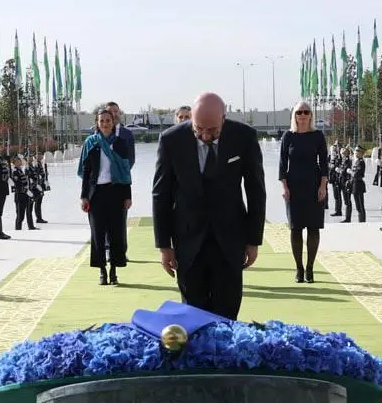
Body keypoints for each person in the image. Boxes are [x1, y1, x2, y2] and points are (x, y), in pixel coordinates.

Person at [153, 92, 266, 319]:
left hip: (230, 241)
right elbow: (161, 194)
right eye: (198, 129)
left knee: (227, 314)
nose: (205, 136)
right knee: (193, 315)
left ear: (223, 118)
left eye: (213, 131)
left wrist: (253, 240)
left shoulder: (244, 137)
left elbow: (256, 191)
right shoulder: (171, 140)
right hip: (188, 242)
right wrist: (164, 246)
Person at [80, 106, 133, 285]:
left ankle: (114, 270)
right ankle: (102, 270)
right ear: (97, 123)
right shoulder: (91, 142)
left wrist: (128, 196)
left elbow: (125, 171)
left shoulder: (120, 143)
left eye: (108, 120)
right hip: (96, 194)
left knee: (116, 232)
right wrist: (84, 196)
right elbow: (86, 172)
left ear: (113, 122)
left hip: (116, 192)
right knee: (98, 233)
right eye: (101, 121)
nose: (105, 124)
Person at [278, 101, 328, 283]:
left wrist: (323, 186)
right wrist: (284, 187)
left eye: (306, 112)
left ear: (311, 115)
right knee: (296, 228)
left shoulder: (317, 136)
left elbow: (324, 163)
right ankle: (299, 268)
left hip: (314, 186)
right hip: (294, 188)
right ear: (295, 115)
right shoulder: (288, 136)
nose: (303, 115)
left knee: (313, 227)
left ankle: (310, 268)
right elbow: (282, 164)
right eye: (299, 112)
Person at [11, 154, 33, 230]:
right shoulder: (15, 171)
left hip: (24, 195)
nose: (20, 162)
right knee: (20, 216)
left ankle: (21, 229)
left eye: (20, 160)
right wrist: (26, 191)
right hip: (19, 195)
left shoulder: (20, 170)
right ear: (14, 162)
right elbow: (17, 185)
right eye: (18, 161)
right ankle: (18, 230)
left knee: (22, 215)